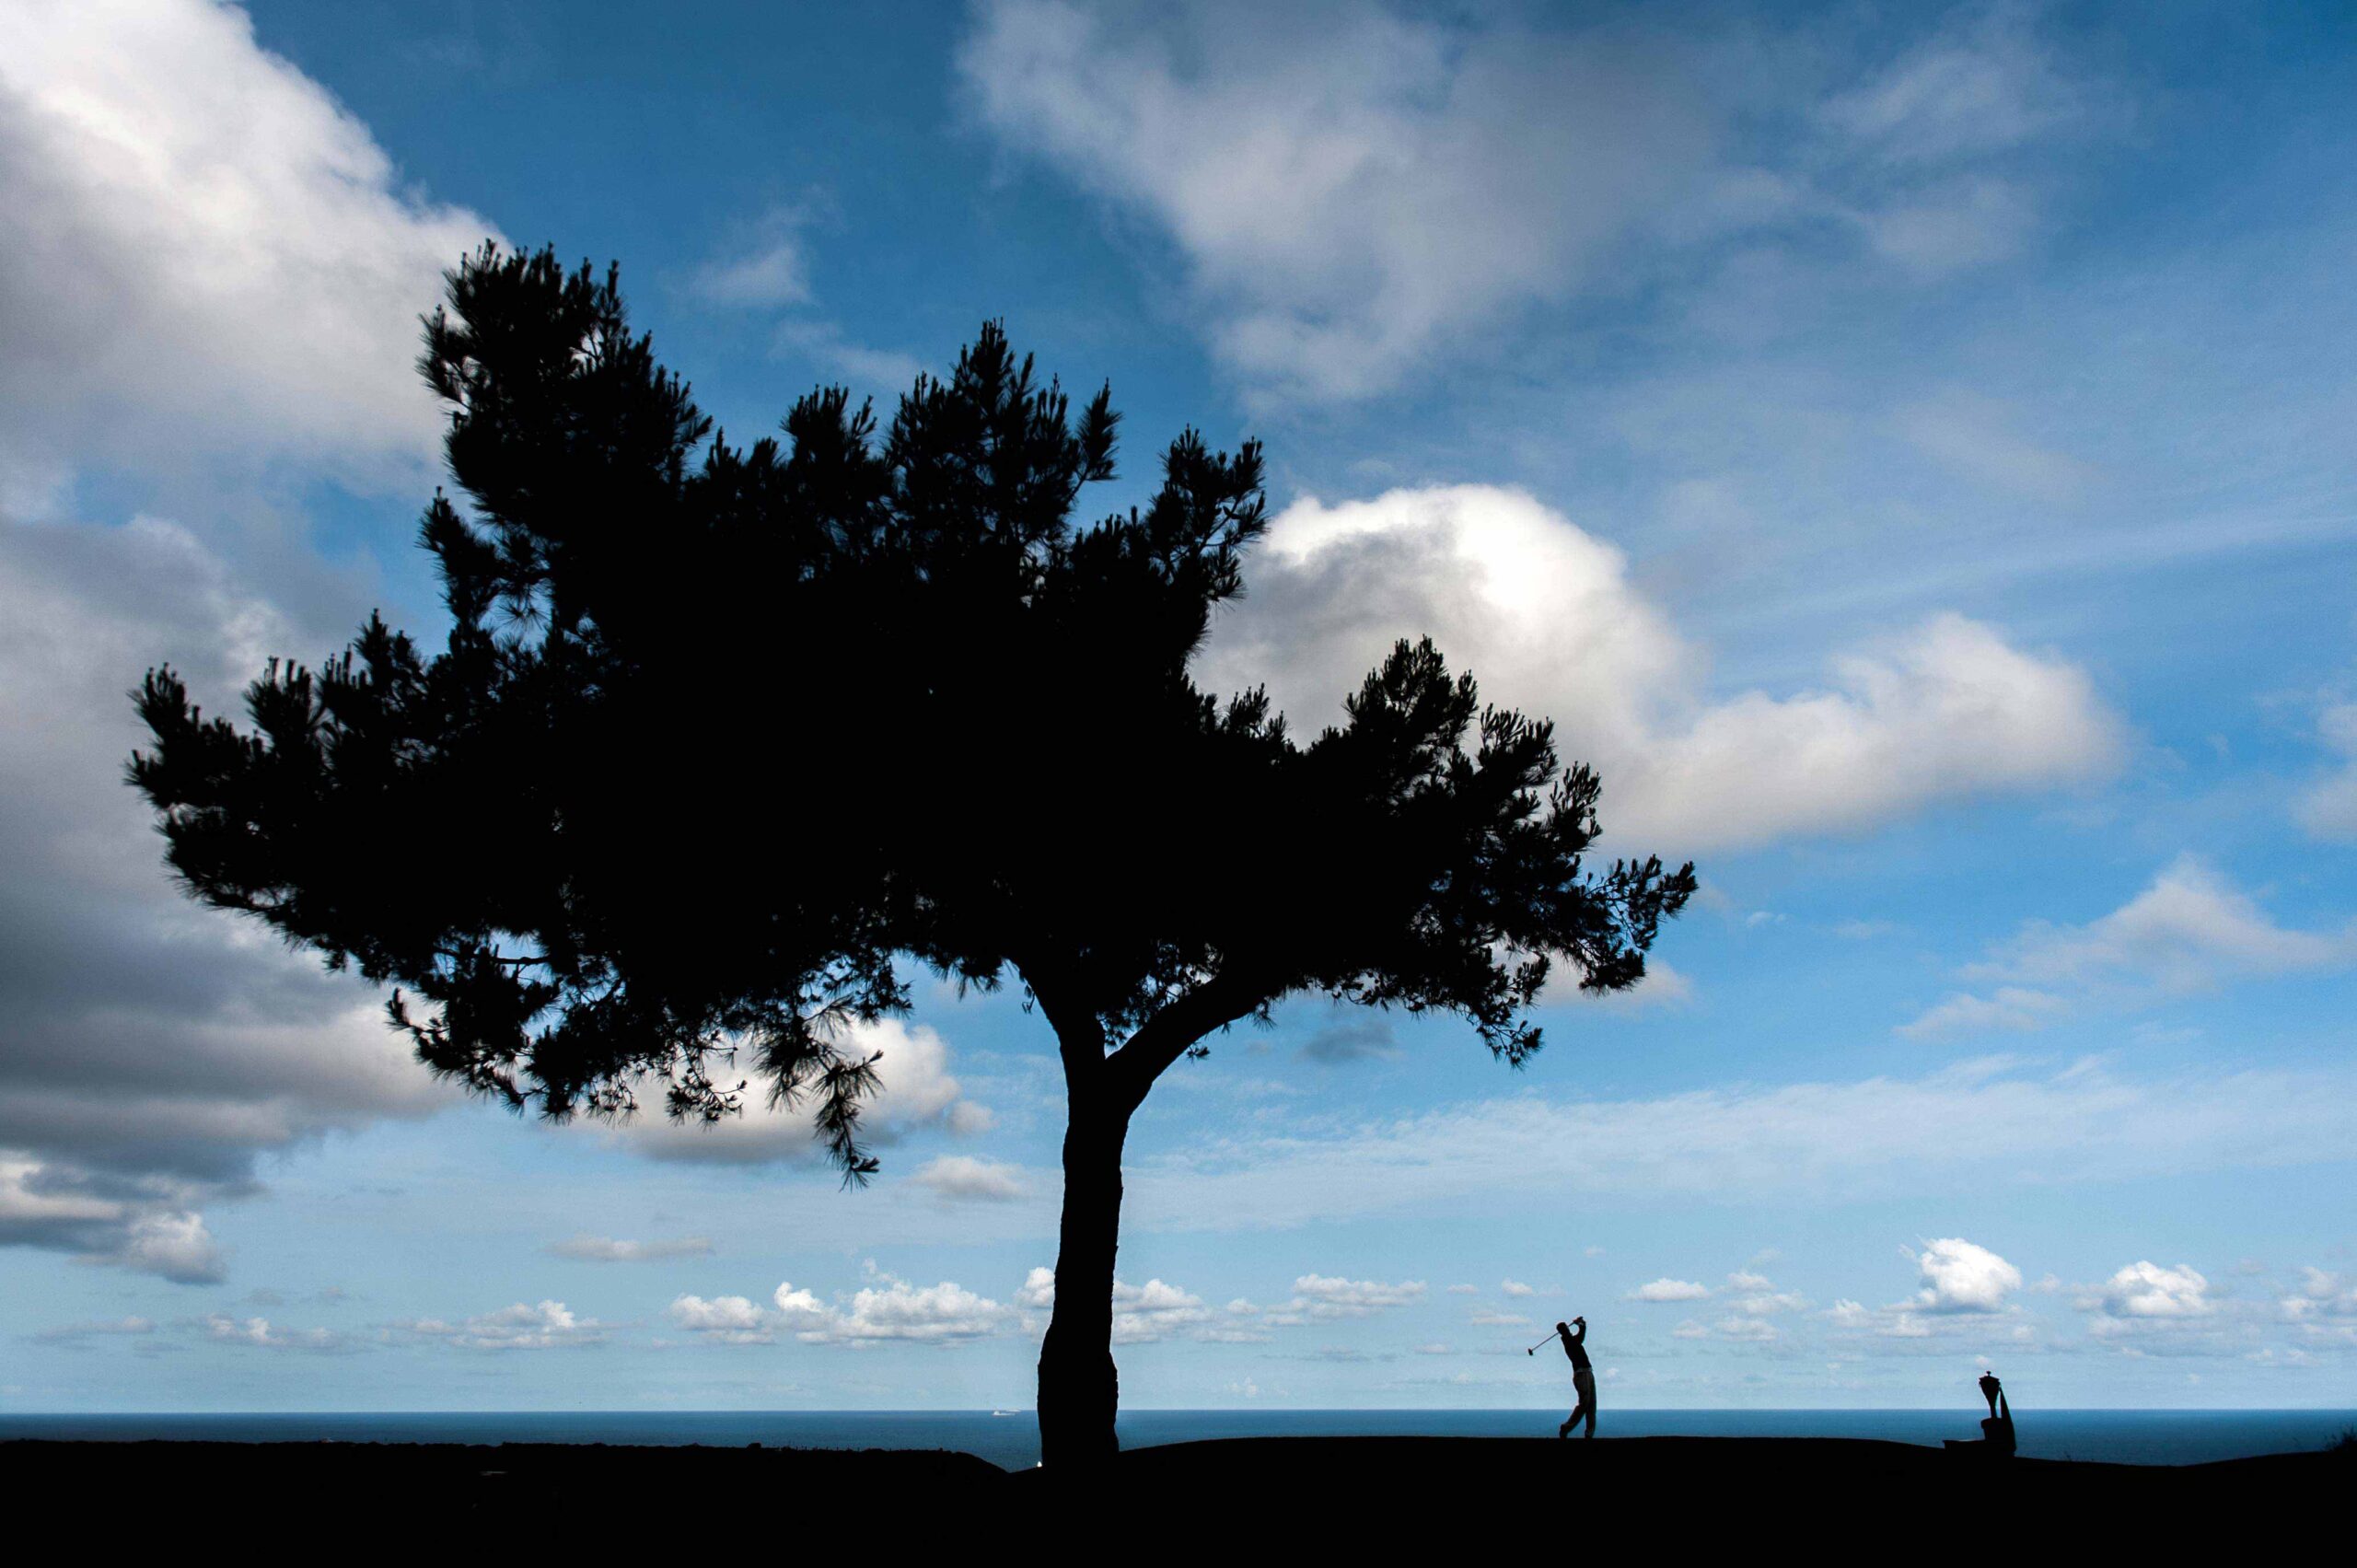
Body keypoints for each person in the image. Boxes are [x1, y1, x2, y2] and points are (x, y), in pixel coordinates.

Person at [1555, 1318, 1596, 1439]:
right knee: (1585, 1403)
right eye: (1565, 1329)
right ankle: (1566, 1427)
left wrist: (1582, 1324)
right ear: (1563, 1332)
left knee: (1591, 1405)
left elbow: (1580, 1337)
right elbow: (1580, 1338)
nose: (1567, 1330)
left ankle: (1589, 1433)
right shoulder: (1568, 1341)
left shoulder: (1571, 1340)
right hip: (1581, 1374)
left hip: (1588, 1372)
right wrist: (1581, 1325)